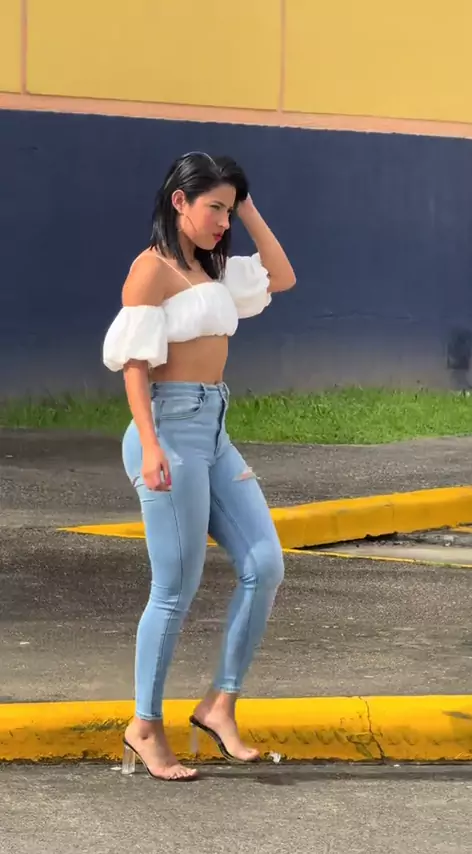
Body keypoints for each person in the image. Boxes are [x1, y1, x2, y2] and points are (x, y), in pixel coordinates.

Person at [102, 151, 296, 781]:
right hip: (167, 429)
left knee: (265, 564)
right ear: (179, 201)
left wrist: (247, 202)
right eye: (214, 207)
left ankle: (219, 704)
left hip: (213, 429)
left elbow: (282, 275)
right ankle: (145, 725)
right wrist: (150, 444)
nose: (223, 221)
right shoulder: (150, 270)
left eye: (229, 209)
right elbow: (135, 365)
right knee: (175, 587)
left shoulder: (212, 269)